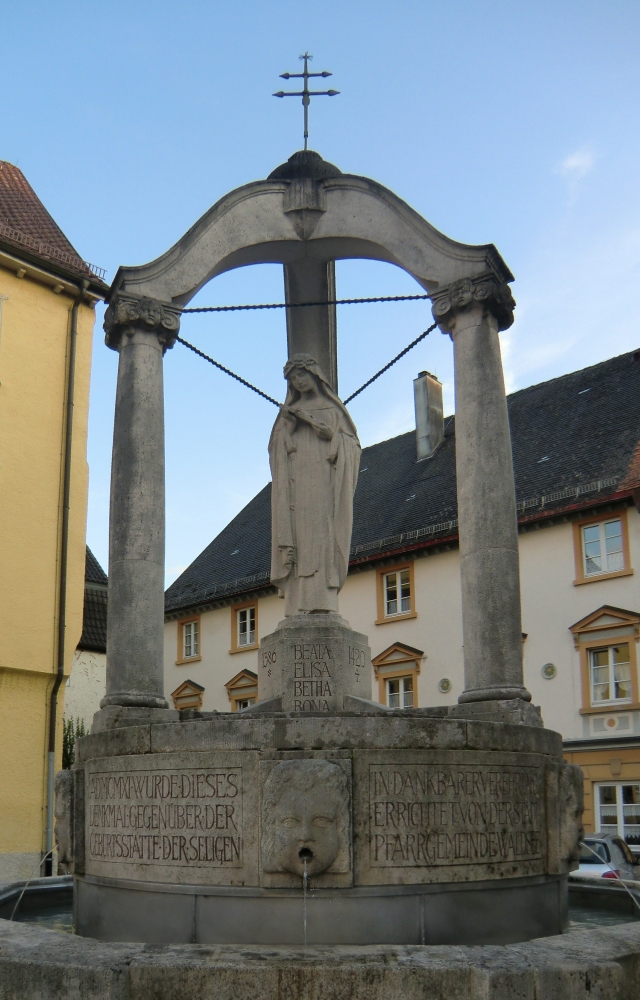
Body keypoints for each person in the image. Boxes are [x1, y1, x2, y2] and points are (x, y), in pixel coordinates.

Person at [269, 354, 361, 616]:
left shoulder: (333, 411)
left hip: (323, 484)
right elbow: (276, 451)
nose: (298, 382)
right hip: (296, 486)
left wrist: (331, 437)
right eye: (293, 378)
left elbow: (352, 447)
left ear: (314, 375)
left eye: (302, 375)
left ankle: (322, 601)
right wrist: (287, 427)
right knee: (298, 538)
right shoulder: (287, 415)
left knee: (322, 537)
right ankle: (296, 604)